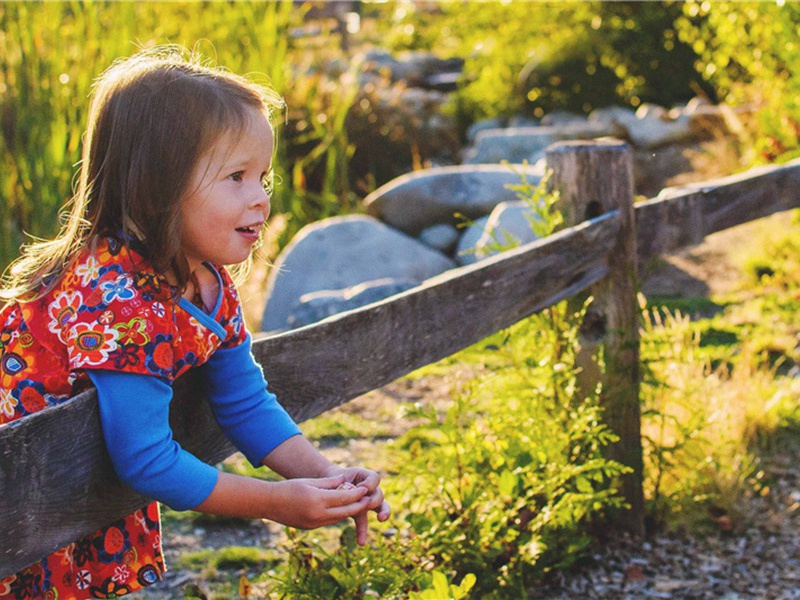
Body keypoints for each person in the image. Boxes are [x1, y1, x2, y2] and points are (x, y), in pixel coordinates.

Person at [0, 46, 390, 600]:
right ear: (157, 184)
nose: (260, 199)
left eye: (265, 178)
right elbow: (148, 460)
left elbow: (245, 402)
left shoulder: (206, 282)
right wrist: (279, 504)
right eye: (236, 176)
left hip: (65, 491)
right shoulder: (117, 297)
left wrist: (326, 480)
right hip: (20, 496)